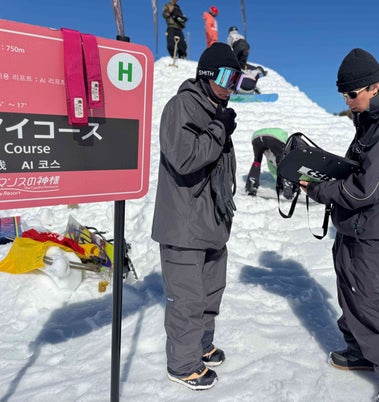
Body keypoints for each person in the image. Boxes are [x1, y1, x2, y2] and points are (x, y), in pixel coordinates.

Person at [299, 48, 379, 402]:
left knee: (365, 299)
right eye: (343, 95)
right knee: (348, 290)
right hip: (354, 223)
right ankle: (361, 349)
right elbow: (360, 170)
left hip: (371, 227)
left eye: (352, 94)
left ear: (374, 87)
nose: (347, 101)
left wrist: (319, 190)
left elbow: (365, 189)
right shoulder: (371, 118)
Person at [151, 42, 243, 391]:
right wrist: (219, 129)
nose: (231, 87)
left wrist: (219, 127)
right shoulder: (182, 106)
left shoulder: (214, 110)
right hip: (184, 225)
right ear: (206, 74)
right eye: (226, 78)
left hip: (211, 223)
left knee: (209, 294)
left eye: (236, 80)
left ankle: (201, 346)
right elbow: (185, 158)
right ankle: (183, 364)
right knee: (187, 301)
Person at [245, 127, 298, 199]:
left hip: (256, 137)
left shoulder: (271, 151)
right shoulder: (287, 145)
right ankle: (288, 189)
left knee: (257, 161)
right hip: (274, 138)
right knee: (283, 163)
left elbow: (272, 168)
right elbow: (283, 166)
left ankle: (251, 186)